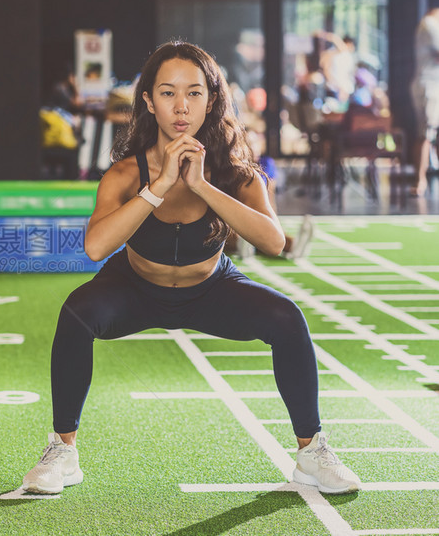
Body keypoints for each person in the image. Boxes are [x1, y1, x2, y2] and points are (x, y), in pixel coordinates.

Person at [21, 41, 360, 496]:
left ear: (212, 99)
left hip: (210, 289)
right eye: (167, 93)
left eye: (194, 93)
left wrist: (201, 185)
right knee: (77, 312)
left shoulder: (239, 173)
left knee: (287, 318)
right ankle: (63, 450)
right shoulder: (124, 174)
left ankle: (311, 451)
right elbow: (97, 246)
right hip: (135, 289)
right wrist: (159, 185)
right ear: (148, 102)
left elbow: (274, 242)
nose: (181, 106)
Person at [411, 0, 439, 197]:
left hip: (430, 84)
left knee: (429, 134)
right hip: (429, 85)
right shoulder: (430, 25)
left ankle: (421, 179)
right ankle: (420, 180)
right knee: (426, 134)